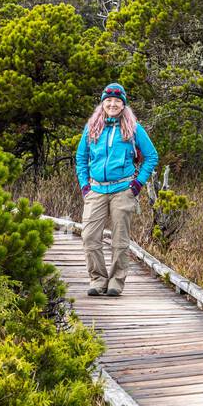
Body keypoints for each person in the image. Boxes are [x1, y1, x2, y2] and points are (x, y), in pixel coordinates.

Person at [75, 83, 158, 297]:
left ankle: (116, 282)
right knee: (90, 237)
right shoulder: (92, 126)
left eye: (117, 101)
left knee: (120, 240)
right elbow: (81, 158)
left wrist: (136, 185)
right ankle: (98, 279)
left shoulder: (133, 128)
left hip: (123, 190)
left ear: (123, 104)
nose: (112, 104)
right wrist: (85, 186)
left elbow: (152, 156)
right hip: (96, 189)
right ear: (103, 103)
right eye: (108, 100)